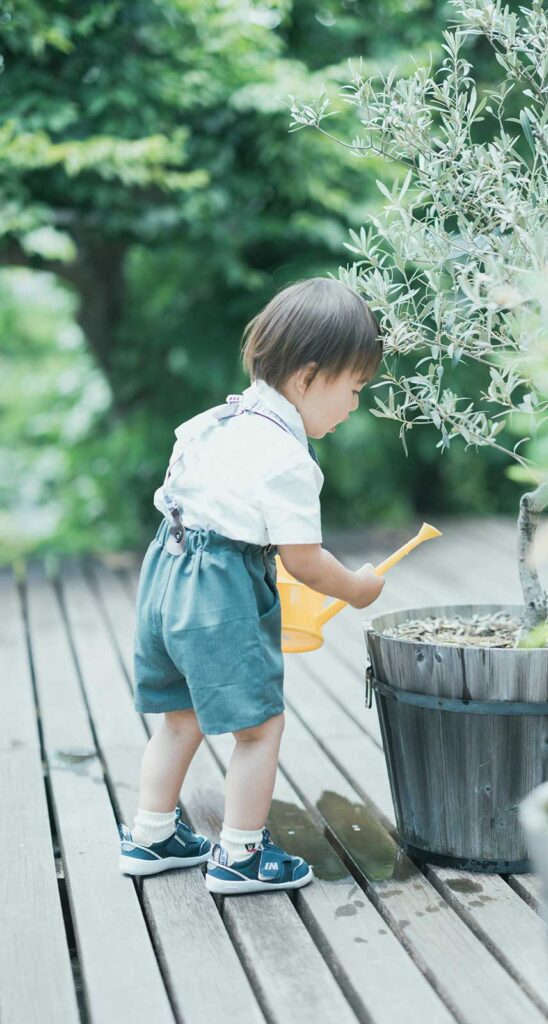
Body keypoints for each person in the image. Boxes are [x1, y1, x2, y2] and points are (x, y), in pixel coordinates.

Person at [117, 277, 385, 894]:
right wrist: (357, 588)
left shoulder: (213, 422)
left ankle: (150, 836)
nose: (353, 406)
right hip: (219, 589)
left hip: (163, 573)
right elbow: (303, 560)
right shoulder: (288, 459)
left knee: (178, 719)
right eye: (353, 389)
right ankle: (240, 856)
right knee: (259, 729)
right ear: (308, 378)